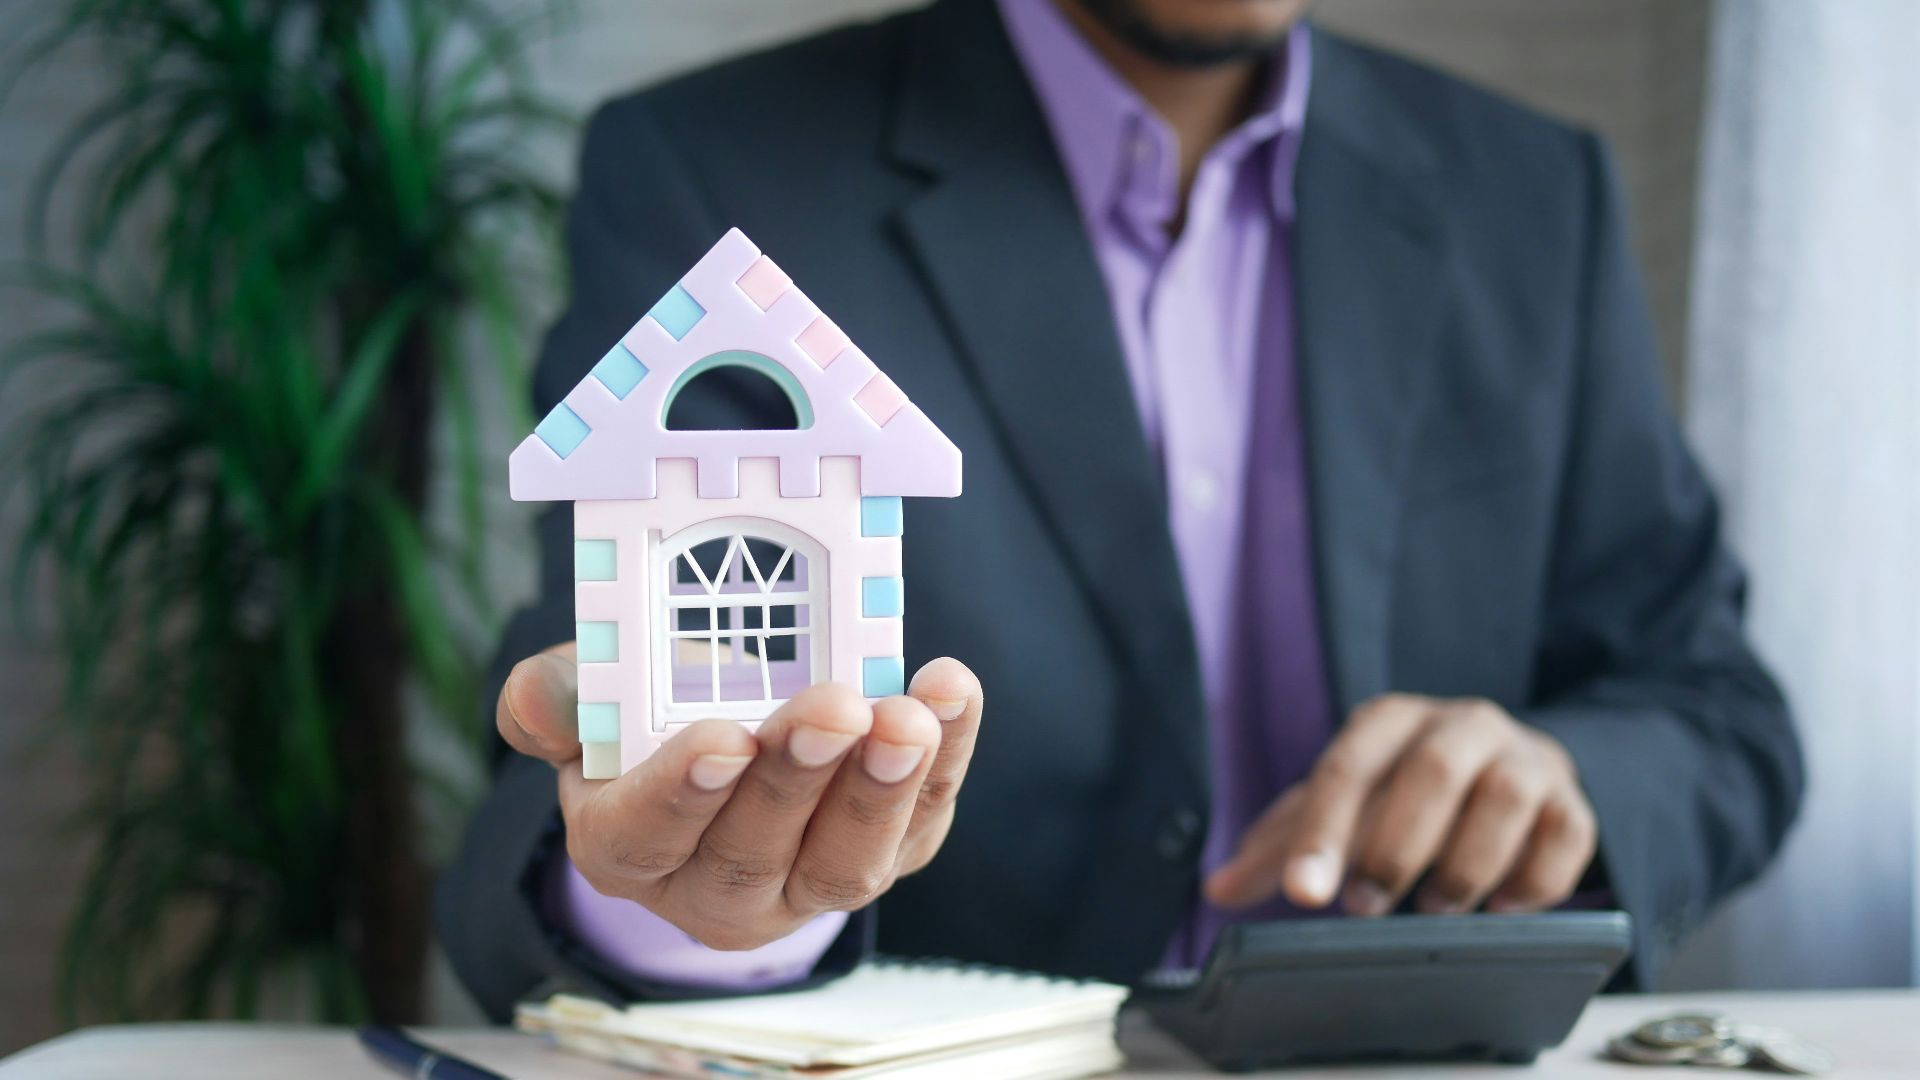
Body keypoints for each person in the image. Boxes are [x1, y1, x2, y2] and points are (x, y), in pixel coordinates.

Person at [437, 0, 1804, 1020]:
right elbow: (594, 729)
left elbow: (1716, 710)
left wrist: (1566, 782)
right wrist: (695, 905)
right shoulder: (711, 170)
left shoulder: (1533, 196)